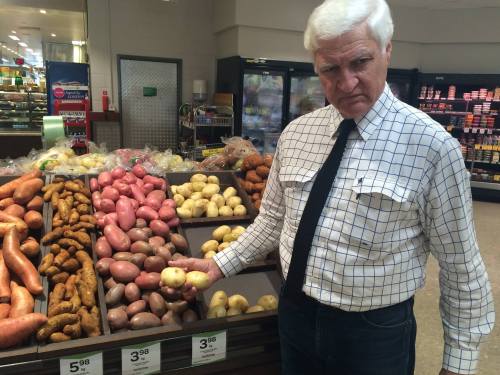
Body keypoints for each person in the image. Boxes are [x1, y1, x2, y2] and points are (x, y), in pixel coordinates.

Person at [170, 1, 495, 374]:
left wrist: (459, 364)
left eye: (360, 62)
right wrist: (218, 265)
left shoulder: (433, 148)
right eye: (330, 69)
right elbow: (273, 219)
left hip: (373, 334)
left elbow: (461, 267)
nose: (346, 82)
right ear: (316, 67)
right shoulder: (296, 134)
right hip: (294, 313)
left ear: (387, 49)